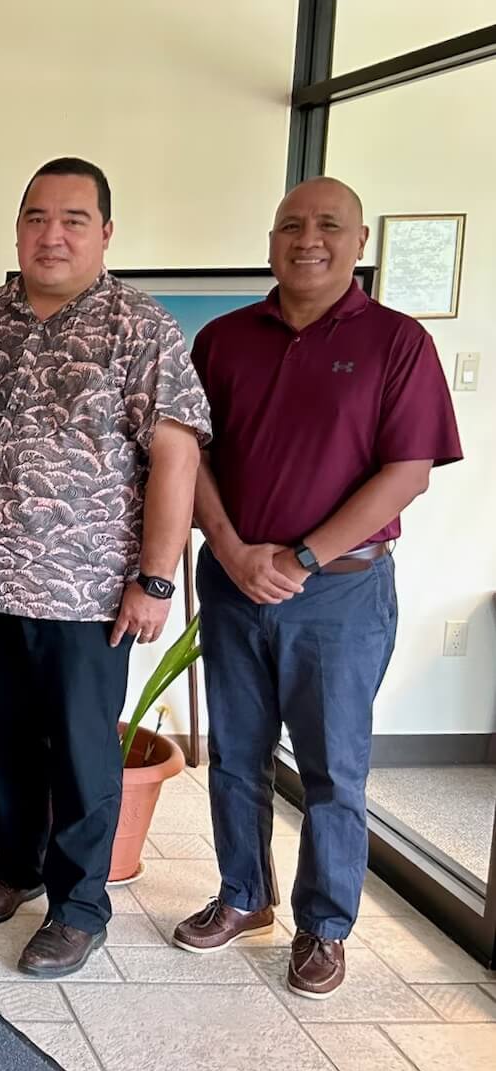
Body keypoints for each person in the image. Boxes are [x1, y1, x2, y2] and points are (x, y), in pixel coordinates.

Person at [173, 177, 462, 999]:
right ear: (270, 241)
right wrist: (228, 548)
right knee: (234, 755)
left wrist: (299, 558)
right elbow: (190, 457)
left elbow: (407, 473)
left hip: (339, 593)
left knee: (335, 767)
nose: (309, 239)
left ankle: (325, 927)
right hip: (232, 584)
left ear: (359, 241)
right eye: (291, 225)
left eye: (329, 225)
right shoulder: (224, 340)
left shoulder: (397, 342)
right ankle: (242, 896)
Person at [0, 158, 212, 977]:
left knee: (81, 753)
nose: (52, 233)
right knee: (2, 740)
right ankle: (15, 866)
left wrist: (156, 577)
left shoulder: (142, 327)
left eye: (73, 218)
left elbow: (175, 458)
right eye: (37, 217)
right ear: (18, 227)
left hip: (90, 592)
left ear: (106, 232)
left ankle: (79, 906)